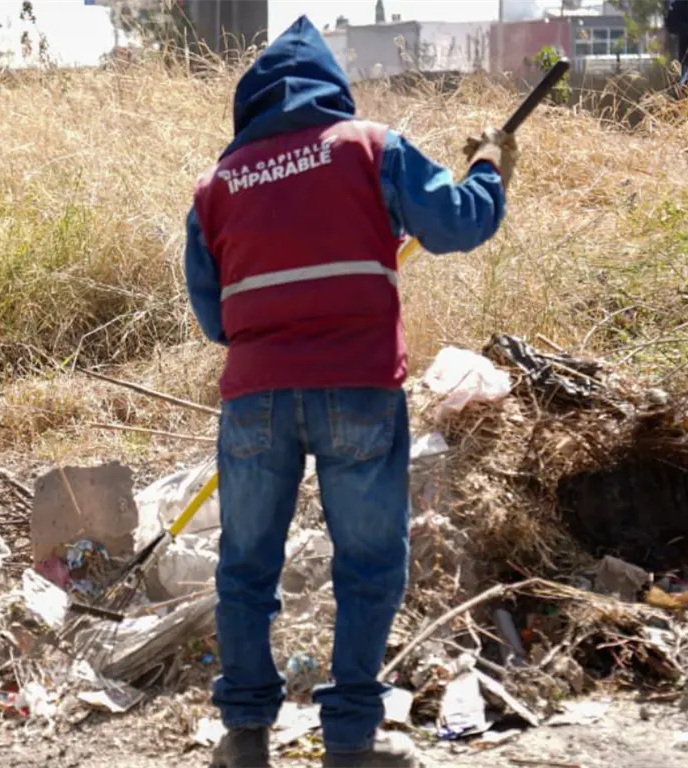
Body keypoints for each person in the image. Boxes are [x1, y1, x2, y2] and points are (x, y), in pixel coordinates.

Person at [184, 16, 517, 768]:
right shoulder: (370, 147)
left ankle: (243, 738)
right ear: (329, 90)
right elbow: (458, 225)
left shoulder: (216, 186)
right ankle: (350, 741)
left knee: (245, 567)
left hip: (255, 400)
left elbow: (215, 317)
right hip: (358, 391)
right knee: (367, 564)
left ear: (252, 103)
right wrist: (491, 167)